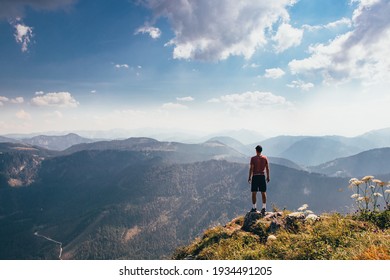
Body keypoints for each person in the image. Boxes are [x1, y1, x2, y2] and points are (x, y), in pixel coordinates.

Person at [248, 145, 270, 215]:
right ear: (261, 150)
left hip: (255, 176)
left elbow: (251, 168)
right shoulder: (265, 158)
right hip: (262, 176)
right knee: (263, 192)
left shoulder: (253, 159)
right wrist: (268, 177)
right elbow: (267, 168)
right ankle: (264, 208)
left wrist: (249, 177)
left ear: (256, 150)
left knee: (254, 192)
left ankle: (254, 208)